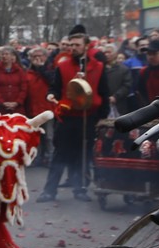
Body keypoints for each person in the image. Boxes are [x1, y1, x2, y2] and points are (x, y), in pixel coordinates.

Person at [37, 30, 109, 203]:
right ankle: (49, 190)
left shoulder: (98, 67)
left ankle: (80, 188)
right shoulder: (62, 66)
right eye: (71, 45)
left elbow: (104, 92)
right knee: (60, 153)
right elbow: (55, 87)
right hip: (67, 116)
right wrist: (51, 95)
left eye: (77, 45)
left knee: (82, 154)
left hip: (88, 117)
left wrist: (102, 117)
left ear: (86, 46)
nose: (73, 48)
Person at [0, 46, 29, 115]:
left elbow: (24, 87)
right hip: (1, 106)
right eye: (2, 54)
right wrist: (2, 102)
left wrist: (17, 102)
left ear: (12, 56)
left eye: (7, 54)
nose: (4, 56)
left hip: (17, 106)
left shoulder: (20, 70)